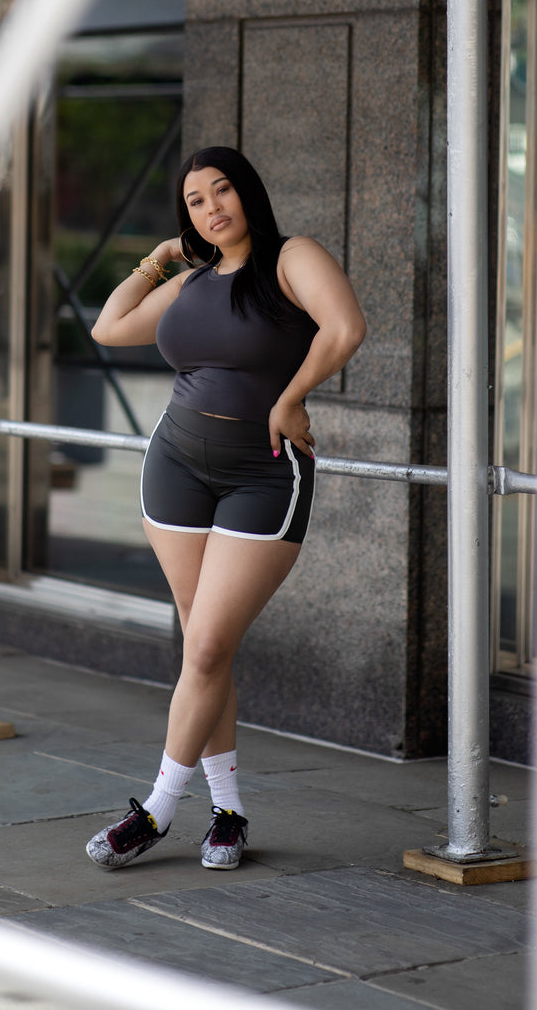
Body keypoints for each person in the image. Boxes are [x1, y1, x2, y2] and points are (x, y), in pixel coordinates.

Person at [84, 145, 366, 871]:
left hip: (264, 475)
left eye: (223, 190)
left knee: (206, 648)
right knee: (206, 650)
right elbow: (108, 328)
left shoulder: (290, 257)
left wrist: (290, 396)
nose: (213, 207)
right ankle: (230, 812)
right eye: (197, 201)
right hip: (174, 469)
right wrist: (157, 256)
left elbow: (344, 329)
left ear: (249, 192)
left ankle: (156, 809)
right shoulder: (193, 282)